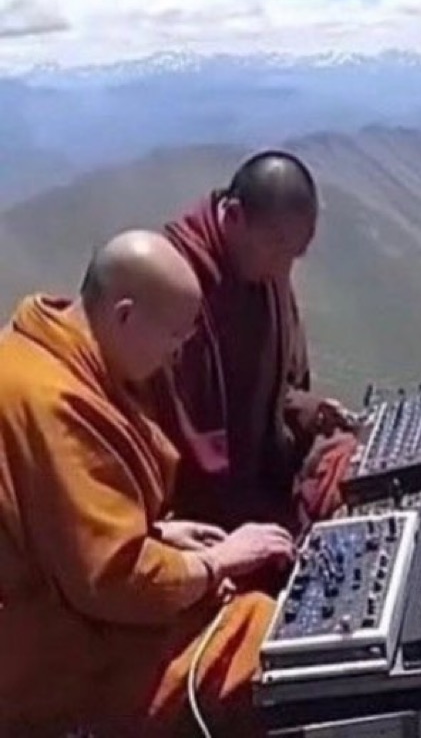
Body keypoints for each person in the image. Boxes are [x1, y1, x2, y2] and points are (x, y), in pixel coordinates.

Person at [0, 230, 295, 737]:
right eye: (174, 335)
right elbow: (112, 579)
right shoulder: (53, 401)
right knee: (257, 642)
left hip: (71, 611)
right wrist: (213, 563)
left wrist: (157, 535)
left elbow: (58, 521)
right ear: (125, 315)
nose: (177, 353)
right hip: (49, 660)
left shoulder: (36, 348)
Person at [155, 150, 358, 534]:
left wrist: (307, 409)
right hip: (210, 509)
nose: (283, 268)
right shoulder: (176, 284)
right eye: (276, 248)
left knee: (350, 464)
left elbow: (274, 387)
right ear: (233, 217)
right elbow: (180, 435)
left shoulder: (264, 268)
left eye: (295, 254)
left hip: (268, 473)